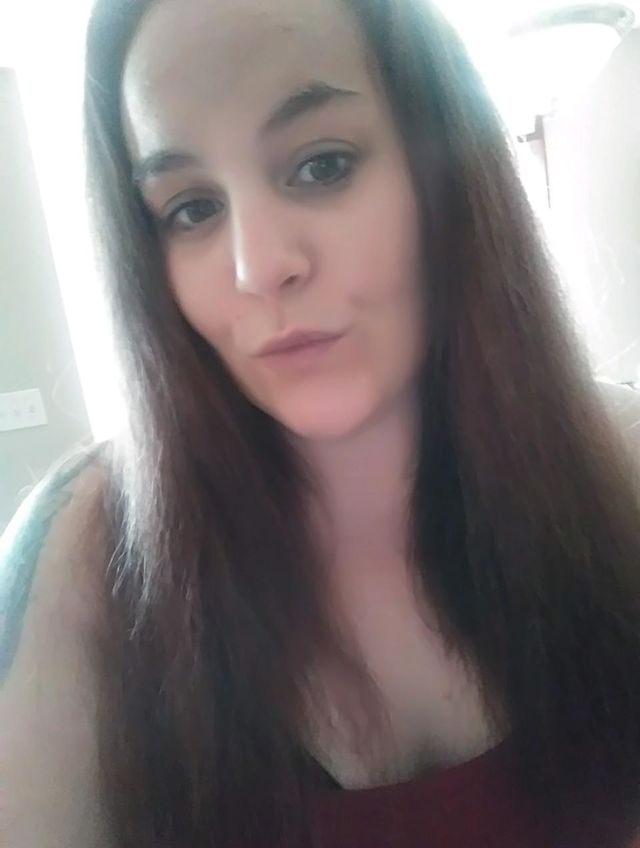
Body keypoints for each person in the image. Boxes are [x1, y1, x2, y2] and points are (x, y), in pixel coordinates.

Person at [2, 0, 640, 845]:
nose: (258, 266)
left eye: (322, 165)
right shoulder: (83, 556)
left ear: (447, 173)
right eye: (191, 209)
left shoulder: (620, 457)